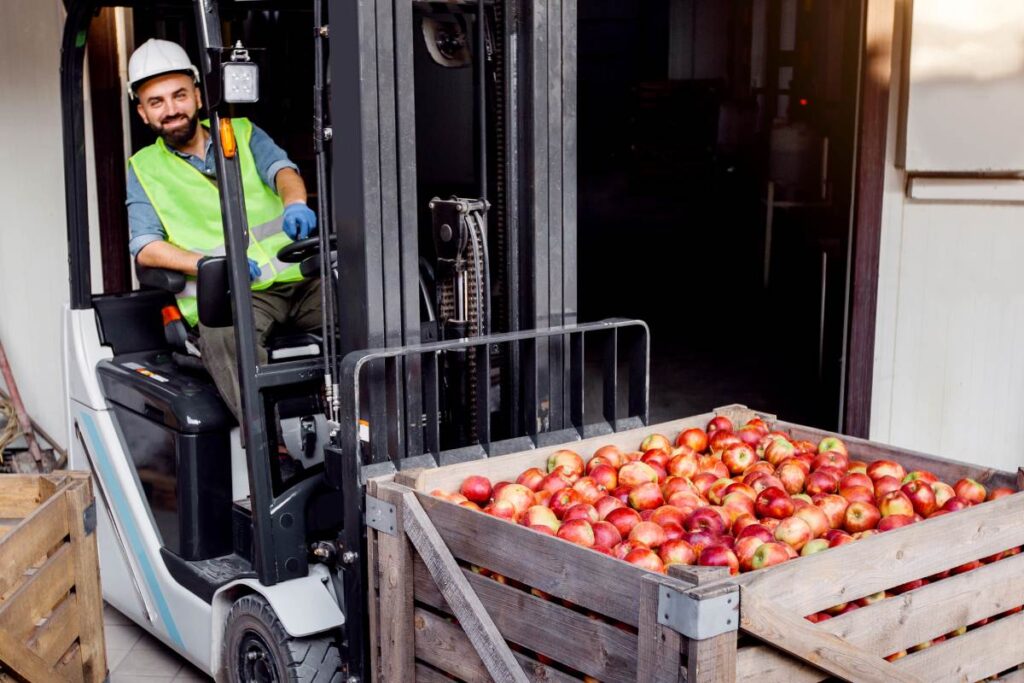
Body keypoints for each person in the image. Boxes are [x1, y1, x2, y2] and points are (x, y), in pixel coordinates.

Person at [125, 38, 321, 421]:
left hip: (300, 279)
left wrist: (295, 203)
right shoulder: (143, 169)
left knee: (368, 308)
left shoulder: (242, 132)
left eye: (179, 95)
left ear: (198, 96)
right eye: (156, 102)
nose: (171, 109)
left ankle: (371, 430)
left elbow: (282, 171)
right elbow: (145, 247)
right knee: (225, 336)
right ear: (143, 113)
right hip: (235, 296)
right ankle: (270, 450)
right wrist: (213, 262)